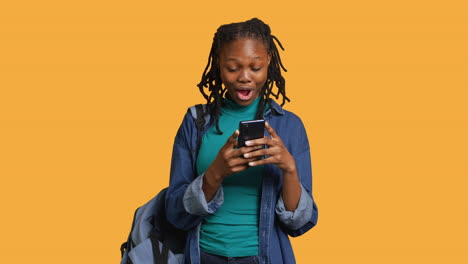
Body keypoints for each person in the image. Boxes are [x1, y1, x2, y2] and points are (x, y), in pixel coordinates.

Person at [165, 18, 318, 264]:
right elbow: (175, 213)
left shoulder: (289, 126)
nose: (244, 77)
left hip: (264, 257)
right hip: (202, 255)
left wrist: (289, 168)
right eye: (233, 68)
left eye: (255, 68)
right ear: (218, 64)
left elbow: (298, 223)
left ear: (268, 60)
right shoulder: (196, 122)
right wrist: (216, 172)